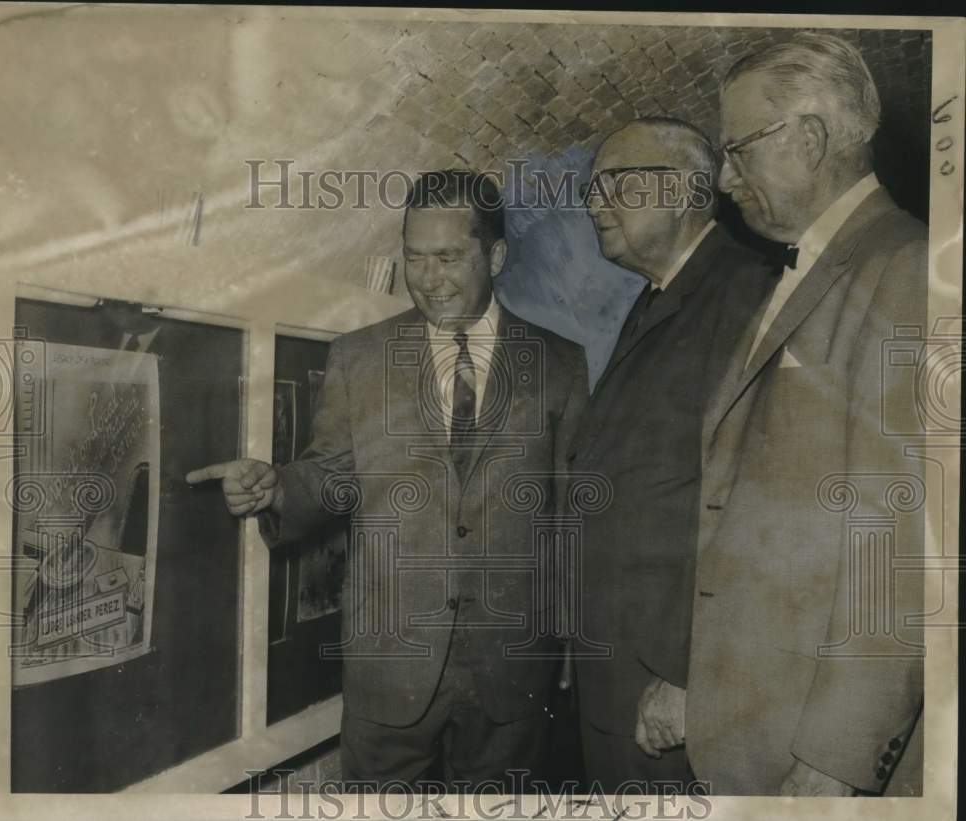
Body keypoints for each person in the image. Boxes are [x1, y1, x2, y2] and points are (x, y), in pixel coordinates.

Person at [187, 170, 588, 789]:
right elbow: (332, 475)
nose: (429, 280)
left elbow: (568, 516)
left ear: (497, 255)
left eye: (450, 258)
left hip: (512, 668)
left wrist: (567, 641)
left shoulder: (559, 363)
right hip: (389, 665)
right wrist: (278, 487)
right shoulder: (359, 356)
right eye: (414, 259)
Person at [686, 32, 926, 795]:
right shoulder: (807, 269)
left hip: (814, 754)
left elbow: (905, 543)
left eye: (739, 150)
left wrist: (835, 759)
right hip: (755, 726)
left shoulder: (911, 269)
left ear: (812, 138)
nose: (724, 178)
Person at [568, 118, 773, 792]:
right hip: (622, 669)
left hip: (673, 689)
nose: (595, 202)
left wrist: (693, 674)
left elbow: (762, 504)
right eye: (591, 188)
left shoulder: (751, 293)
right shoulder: (657, 299)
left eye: (615, 184)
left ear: (689, 190)